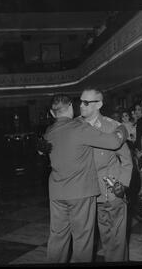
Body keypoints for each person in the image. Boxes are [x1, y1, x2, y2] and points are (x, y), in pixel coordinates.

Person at [43, 94, 128, 263]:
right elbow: (113, 142)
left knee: (57, 238)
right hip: (80, 193)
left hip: (56, 193)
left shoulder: (49, 132)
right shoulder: (79, 128)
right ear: (70, 108)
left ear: (53, 114)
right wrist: (122, 129)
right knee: (82, 240)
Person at [79, 88, 133, 262]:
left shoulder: (112, 127)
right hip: (85, 193)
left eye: (86, 102)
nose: (81, 105)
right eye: (80, 101)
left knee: (116, 238)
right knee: (98, 237)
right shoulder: (75, 126)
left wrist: (122, 186)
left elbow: (126, 160)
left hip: (110, 190)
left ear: (99, 104)